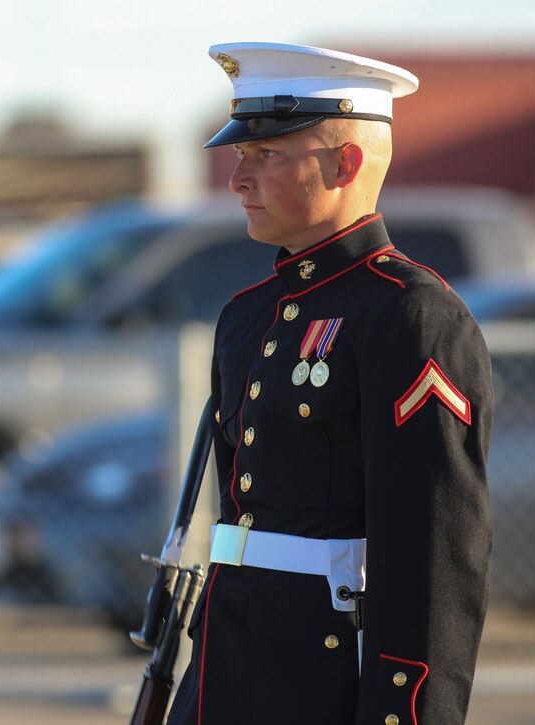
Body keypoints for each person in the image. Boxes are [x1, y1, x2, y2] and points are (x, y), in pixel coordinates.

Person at [166, 43, 494, 724]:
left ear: (344, 164)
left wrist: (406, 711)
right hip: (227, 659)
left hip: (326, 669)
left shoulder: (410, 313)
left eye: (267, 156)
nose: (238, 179)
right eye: (240, 157)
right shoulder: (248, 314)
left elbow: (434, 548)